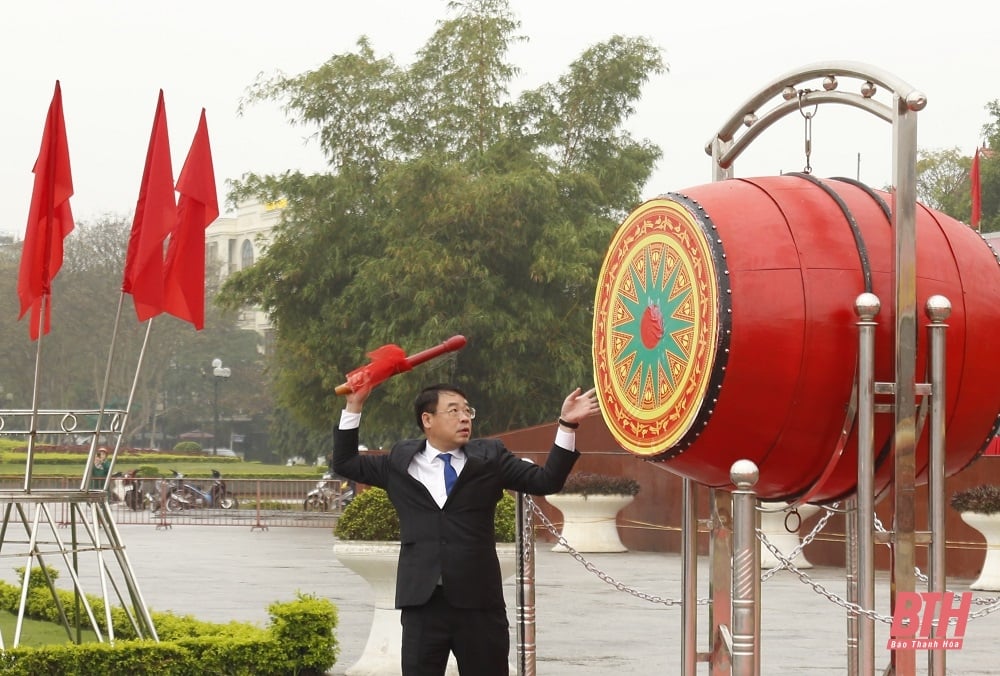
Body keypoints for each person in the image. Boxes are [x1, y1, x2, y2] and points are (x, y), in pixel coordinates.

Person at [333, 381, 599, 676]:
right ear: (427, 420)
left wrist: (567, 425)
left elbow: (546, 481)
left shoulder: (490, 458)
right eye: (453, 411)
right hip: (422, 603)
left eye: (467, 411)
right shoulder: (400, 462)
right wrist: (354, 405)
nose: (464, 418)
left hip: (479, 604)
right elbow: (345, 462)